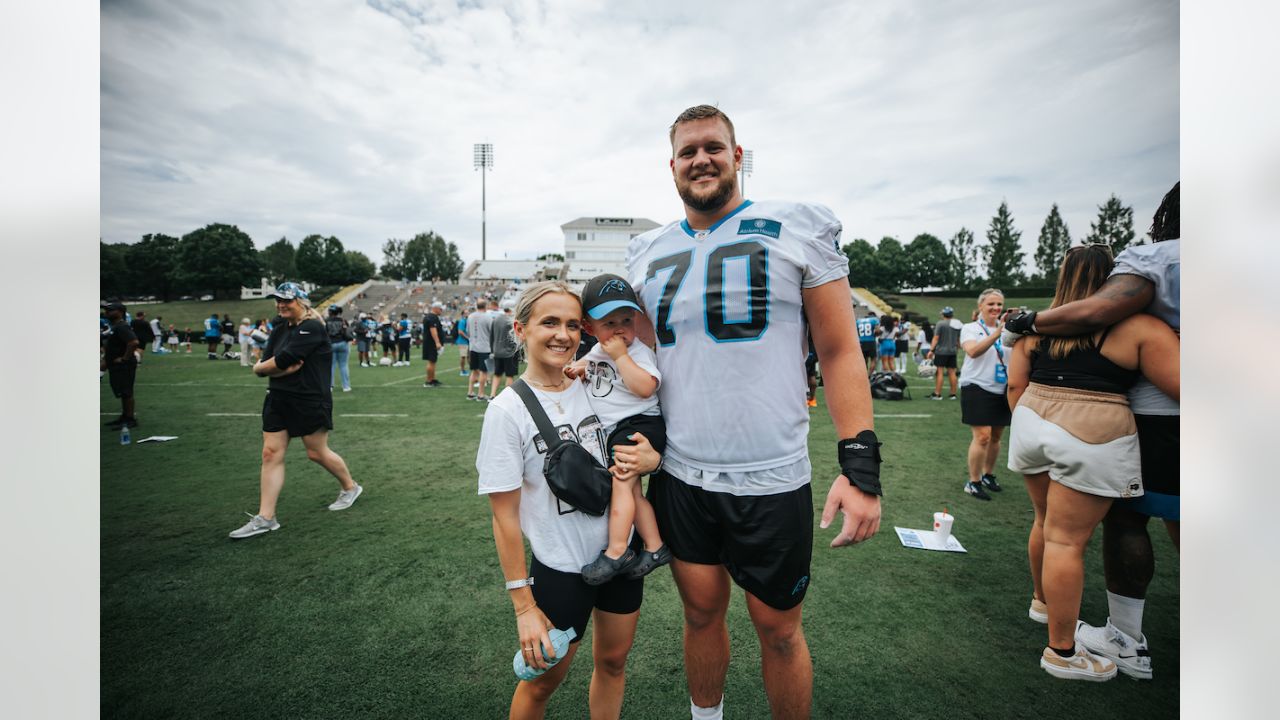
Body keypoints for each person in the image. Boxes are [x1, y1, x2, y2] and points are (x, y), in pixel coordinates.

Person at [619, 105, 882, 720]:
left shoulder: (795, 225)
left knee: (780, 630)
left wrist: (861, 465)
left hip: (772, 473)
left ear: (738, 156)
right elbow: (644, 360)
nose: (700, 159)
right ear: (673, 166)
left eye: (714, 147)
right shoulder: (645, 250)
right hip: (682, 473)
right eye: (688, 152)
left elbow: (841, 351)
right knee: (700, 614)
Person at [1003, 181, 1181, 680]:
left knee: (1044, 524)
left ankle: (1043, 603)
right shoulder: (1140, 329)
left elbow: (1014, 389)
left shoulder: (1033, 329)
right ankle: (1062, 653)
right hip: (1092, 427)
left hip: (1033, 420)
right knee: (1066, 540)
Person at [476, 281, 644, 719]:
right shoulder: (506, 411)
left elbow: (640, 430)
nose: (563, 335)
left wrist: (652, 455)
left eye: (572, 324)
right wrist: (524, 607)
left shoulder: (596, 382)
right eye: (549, 322)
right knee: (541, 683)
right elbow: (504, 518)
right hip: (562, 569)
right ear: (521, 328)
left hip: (621, 556)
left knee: (613, 662)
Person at [230, 282, 362, 540]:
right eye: (277, 300)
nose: (280, 305)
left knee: (315, 452)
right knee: (270, 453)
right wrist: (266, 368)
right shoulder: (280, 326)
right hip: (278, 396)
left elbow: (283, 360)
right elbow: (271, 359)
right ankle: (266, 518)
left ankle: (350, 487)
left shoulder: (312, 327)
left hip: (309, 399)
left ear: (301, 302)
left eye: (286, 300)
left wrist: (263, 368)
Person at [564, 274, 671, 586]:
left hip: (639, 426)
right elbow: (587, 366)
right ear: (589, 328)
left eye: (627, 319)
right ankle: (654, 546)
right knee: (633, 491)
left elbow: (644, 388)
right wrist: (580, 369)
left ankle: (617, 550)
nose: (620, 329)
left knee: (621, 484)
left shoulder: (636, 352)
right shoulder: (598, 351)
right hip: (619, 429)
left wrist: (622, 357)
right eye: (609, 324)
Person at [959, 289, 1009, 500]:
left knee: (996, 436)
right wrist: (997, 333)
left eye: (999, 304)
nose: (996, 308)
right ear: (980, 306)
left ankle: (988, 474)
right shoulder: (970, 328)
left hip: (1002, 388)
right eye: (991, 304)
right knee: (983, 436)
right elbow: (972, 351)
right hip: (976, 386)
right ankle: (974, 481)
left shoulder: (1009, 331)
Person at [101, 301, 139, 429]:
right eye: (106, 310)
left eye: (110, 310)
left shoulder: (122, 326)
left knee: (126, 391)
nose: (106, 312)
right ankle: (125, 416)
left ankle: (130, 419)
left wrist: (124, 359)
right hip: (116, 365)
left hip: (124, 365)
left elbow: (133, 342)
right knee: (123, 392)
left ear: (120, 312)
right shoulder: (115, 326)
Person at [928, 307, 962, 399]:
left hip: (941, 351)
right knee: (952, 372)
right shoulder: (957, 324)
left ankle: (937, 393)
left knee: (939, 372)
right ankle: (953, 394)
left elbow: (936, 338)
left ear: (943, 314)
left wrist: (931, 350)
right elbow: (959, 339)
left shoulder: (940, 323)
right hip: (953, 351)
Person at [488, 301, 519, 395]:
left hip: (497, 351)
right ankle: (506, 397)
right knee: (509, 376)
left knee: (497, 375)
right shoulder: (511, 320)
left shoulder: (496, 319)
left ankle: (492, 395)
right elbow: (515, 338)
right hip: (509, 352)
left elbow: (491, 336)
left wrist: (493, 350)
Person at [467, 299, 494, 401]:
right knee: (483, 372)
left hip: (473, 347)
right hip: (484, 347)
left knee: (474, 371)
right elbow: (492, 332)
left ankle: (470, 392)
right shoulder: (488, 317)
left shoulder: (470, 316)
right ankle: (481, 394)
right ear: (485, 306)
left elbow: (468, 331)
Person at [326, 305, 352, 392]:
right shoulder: (343, 320)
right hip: (342, 343)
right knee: (343, 365)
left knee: (331, 366)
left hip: (331, 344)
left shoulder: (326, 321)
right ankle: (346, 386)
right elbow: (348, 330)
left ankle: (330, 386)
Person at [421, 303, 445, 388]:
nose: (441, 311)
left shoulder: (430, 317)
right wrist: (437, 342)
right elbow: (433, 330)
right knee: (431, 361)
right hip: (431, 343)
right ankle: (429, 381)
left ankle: (432, 379)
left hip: (430, 342)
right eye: (440, 309)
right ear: (436, 308)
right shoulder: (432, 317)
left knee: (433, 361)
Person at [855, 309, 879, 373]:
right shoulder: (875, 320)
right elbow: (877, 331)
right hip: (871, 341)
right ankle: (870, 375)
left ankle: (864, 375)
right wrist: (876, 334)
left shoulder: (858, 321)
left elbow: (856, 332)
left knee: (864, 360)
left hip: (861, 342)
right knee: (873, 359)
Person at [455, 310, 470, 376]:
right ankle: (462, 370)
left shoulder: (467, 321)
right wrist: (468, 338)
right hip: (462, 341)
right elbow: (460, 332)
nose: (468, 314)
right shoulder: (462, 321)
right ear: (463, 314)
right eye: (466, 313)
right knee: (463, 356)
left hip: (467, 341)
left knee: (469, 357)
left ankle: (472, 370)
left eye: (468, 312)